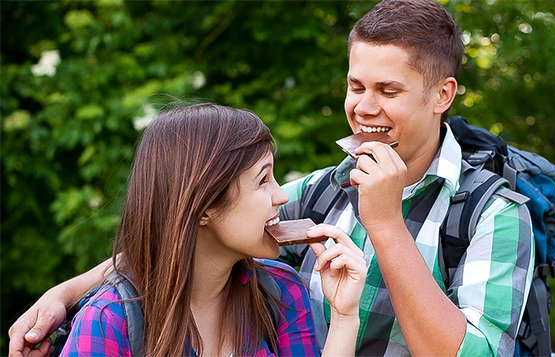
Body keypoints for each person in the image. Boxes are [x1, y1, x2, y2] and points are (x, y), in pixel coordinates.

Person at [9, 1, 534, 356]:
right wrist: (65, 293)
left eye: (388, 91)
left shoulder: (495, 213)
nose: (363, 108)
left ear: (442, 95)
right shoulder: (324, 190)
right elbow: (186, 232)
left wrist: (387, 225)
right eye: (356, 86)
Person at [11, 103, 367, 357]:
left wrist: (344, 317)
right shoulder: (110, 322)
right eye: (263, 180)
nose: (279, 196)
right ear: (203, 207)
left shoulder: (283, 293)